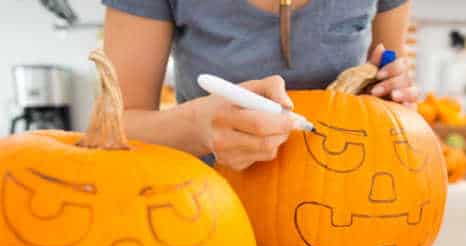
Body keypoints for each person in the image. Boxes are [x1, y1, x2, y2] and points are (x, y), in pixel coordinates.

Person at [102, 1, 416, 170]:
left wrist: (394, 99)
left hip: (346, 206)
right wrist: (198, 128)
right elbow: (111, 127)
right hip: (207, 217)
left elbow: (391, 80)